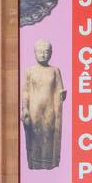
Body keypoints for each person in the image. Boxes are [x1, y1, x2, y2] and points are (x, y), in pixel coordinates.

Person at [22, 39, 66, 169]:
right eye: (40, 52)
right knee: (35, 135)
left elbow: (59, 89)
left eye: (46, 52)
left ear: (51, 53)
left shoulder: (55, 71)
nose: (43, 55)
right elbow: (26, 92)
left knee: (48, 134)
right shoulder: (30, 71)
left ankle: (48, 162)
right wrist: (24, 108)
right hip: (34, 108)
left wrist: (62, 95)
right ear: (35, 53)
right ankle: (35, 162)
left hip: (50, 108)